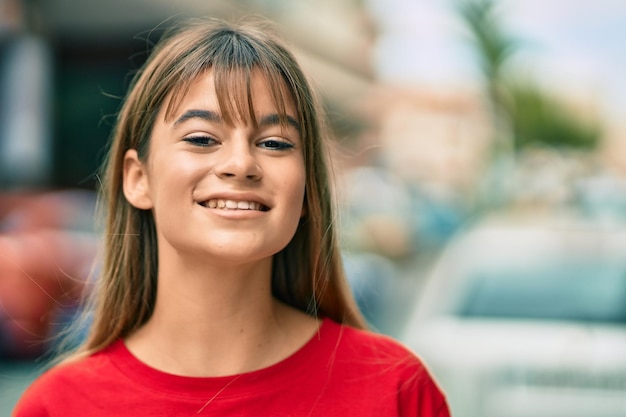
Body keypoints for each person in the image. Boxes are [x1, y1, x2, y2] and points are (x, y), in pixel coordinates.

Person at [12, 17, 450, 416]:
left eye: (275, 143)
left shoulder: (396, 390)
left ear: (307, 192)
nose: (241, 163)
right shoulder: (58, 405)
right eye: (202, 138)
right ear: (137, 178)